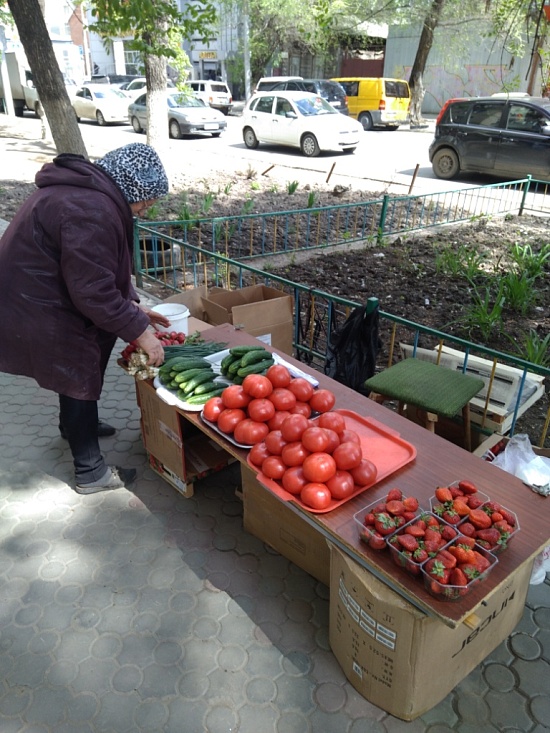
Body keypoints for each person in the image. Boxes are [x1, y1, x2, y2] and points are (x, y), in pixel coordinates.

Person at [0, 142, 170, 495]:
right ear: (130, 188)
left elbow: (90, 273)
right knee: (77, 373)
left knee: (75, 372)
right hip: (43, 305)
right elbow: (93, 290)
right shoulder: (90, 209)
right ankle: (91, 472)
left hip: (41, 295)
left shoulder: (87, 193)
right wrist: (142, 332)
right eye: (146, 200)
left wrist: (132, 309)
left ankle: (73, 427)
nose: (146, 209)